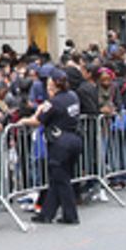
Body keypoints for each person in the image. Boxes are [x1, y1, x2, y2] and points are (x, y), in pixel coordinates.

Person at [25, 67, 82, 225]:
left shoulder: (54, 102)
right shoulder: (73, 96)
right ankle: (47, 213)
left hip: (60, 142)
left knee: (61, 179)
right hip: (74, 139)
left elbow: (38, 120)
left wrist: (22, 121)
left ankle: (70, 215)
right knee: (57, 178)